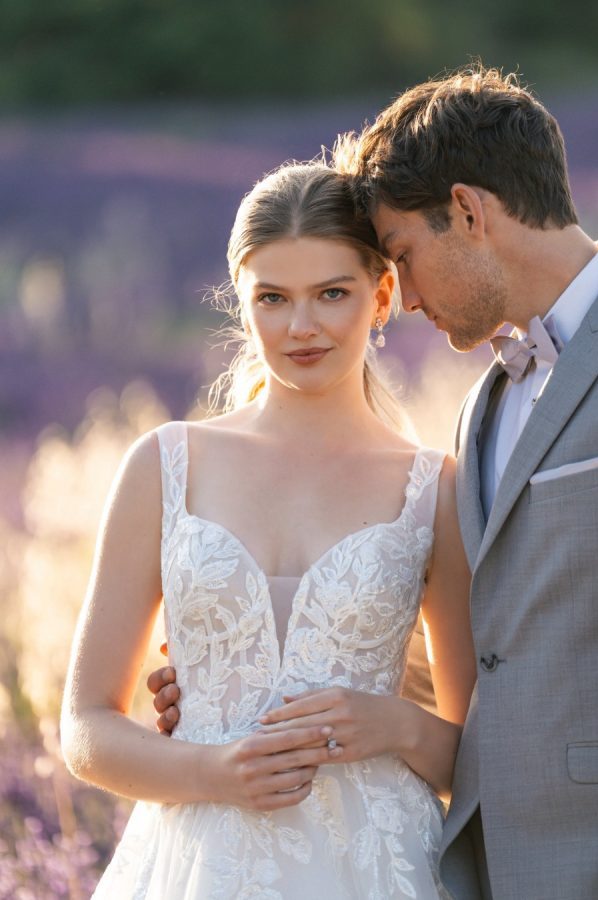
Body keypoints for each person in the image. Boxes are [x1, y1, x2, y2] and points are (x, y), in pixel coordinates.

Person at [154, 68, 598, 900]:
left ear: (467, 212)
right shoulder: (486, 407)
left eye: (401, 256)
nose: (408, 296)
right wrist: (240, 677)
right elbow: (506, 641)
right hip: (500, 856)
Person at [61, 161, 476, 899]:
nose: (301, 326)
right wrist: (212, 771)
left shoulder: (434, 488)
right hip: (196, 866)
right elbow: (85, 727)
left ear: (381, 297)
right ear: (242, 304)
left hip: (379, 869)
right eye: (274, 298)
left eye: (333, 295)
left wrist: (399, 726)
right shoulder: (165, 465)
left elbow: (479, 755)